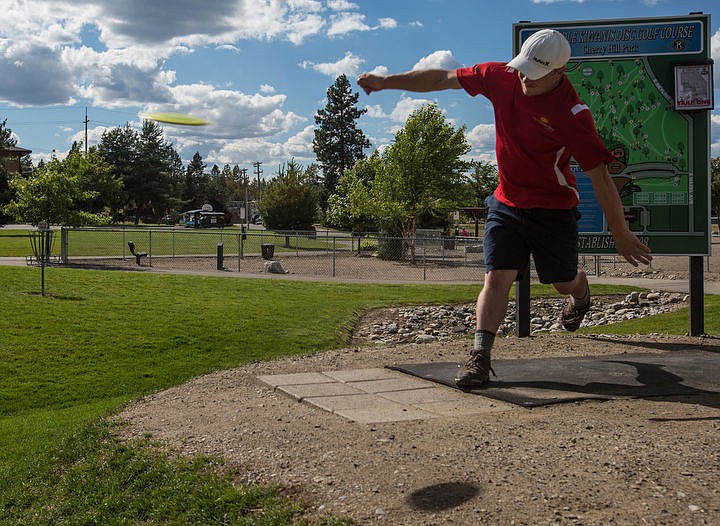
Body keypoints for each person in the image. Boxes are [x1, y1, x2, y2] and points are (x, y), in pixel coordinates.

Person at [357, 29, 652, 388]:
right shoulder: (502, 77)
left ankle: (580, 291)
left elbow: (601, 178)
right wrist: (387, 81)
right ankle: (480, 357)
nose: (525, 77)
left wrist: (620, 234)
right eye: (523, 67)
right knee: (497, 278)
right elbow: (442, 77)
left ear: (559, 74)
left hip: (553, 209)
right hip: (507, 202)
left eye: (535, 72)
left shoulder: (573, 115)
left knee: (560, 281)